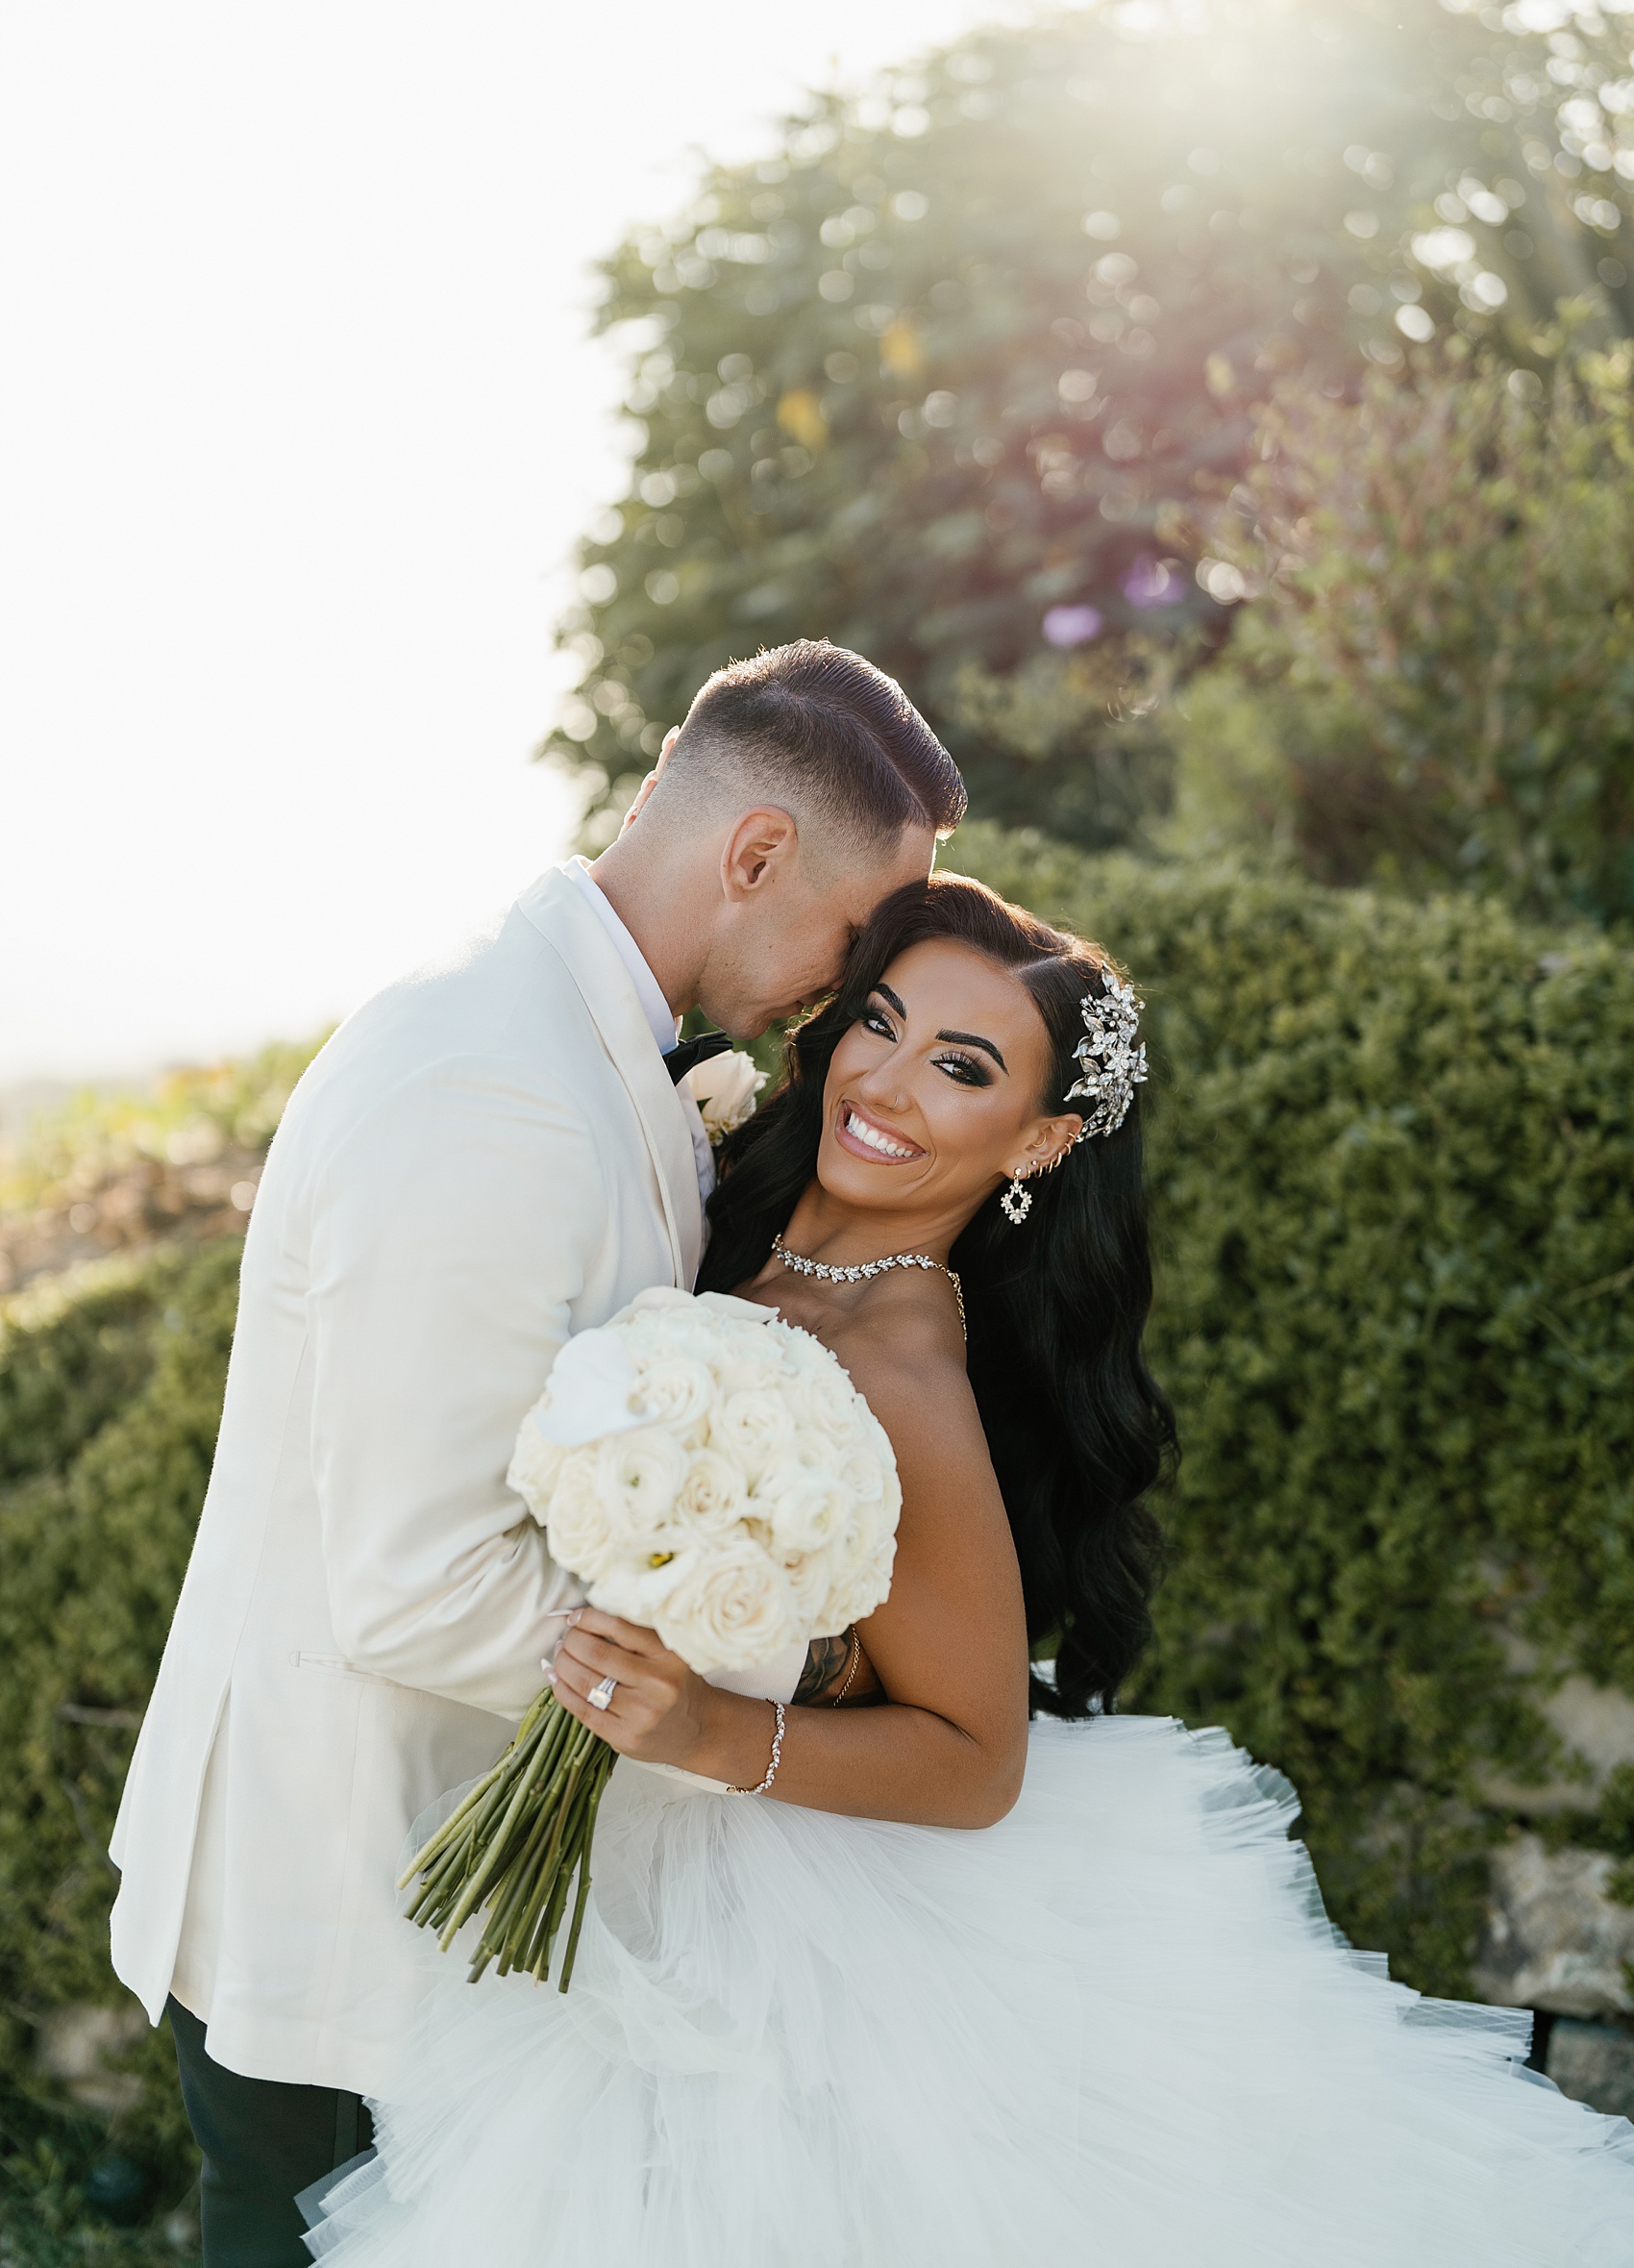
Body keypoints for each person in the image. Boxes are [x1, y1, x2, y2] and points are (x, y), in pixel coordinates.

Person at [305, 873, 1634, 2266]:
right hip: (639, 1865)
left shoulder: (904, 1366)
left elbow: (976, 1752)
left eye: (963, 1067)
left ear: (1042, 1139)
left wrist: (707, 1726)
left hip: (800, 1943)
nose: (883, 1081)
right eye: (878, 1023)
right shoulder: (736, 1237)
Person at [107, 640, 967, 2268]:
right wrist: (761, 1675)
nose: (846, 995)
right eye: (854, 944)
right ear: (757, 853)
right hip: (351, 1913)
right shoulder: (484, 1084)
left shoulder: (576, 1049)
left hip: (447, 1905)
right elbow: (418, 1588)